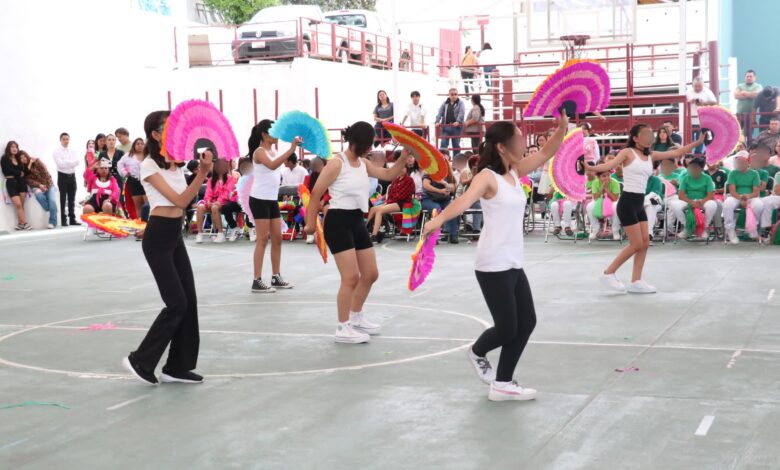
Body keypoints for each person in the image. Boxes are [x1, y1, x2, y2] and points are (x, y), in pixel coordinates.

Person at [421, 115, 568, 401]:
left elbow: (546, 152)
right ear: (502, 147)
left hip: (513, 260)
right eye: (517, 140)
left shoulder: (514, 172)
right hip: (492, 263)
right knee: (507, 327)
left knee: (526, 322)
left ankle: (502, 383)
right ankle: (477, 352)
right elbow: (463, 202)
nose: (523, 143)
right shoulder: (486, 177)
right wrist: (436, 222)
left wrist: (562, 128)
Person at [122, 110, 213, 386]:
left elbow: (182, 200)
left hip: (175, 235)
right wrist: (203, 173)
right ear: (155, 134)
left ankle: (177, 366)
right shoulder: (150, 165)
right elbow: (181, 200)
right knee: (177, 303)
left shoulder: (175, 165)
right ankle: (140, 359)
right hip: (158, 237)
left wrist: (199, 170)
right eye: (168, 127)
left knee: (190, 301)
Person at [304, 121, 407, 344]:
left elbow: (388, 174)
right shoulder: (336, 163)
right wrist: (310, 224)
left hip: (357, 220)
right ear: (358, 142)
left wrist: (404, 155)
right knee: (351, 277)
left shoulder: (362, 163)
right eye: (369, 144)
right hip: (338, 221)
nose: (371, 148)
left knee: (370, 274)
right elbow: (315, 194)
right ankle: (343, 328)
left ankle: (356, 316)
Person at [589, 124, 705, 293]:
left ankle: (636, 281)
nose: (649, 136)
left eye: (651, 133)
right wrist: (591, 167)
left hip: (639, 202)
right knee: (636, 244)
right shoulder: (627, 152)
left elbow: (677, 153)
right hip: (627, 202)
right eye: (645, 134)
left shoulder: (651, 154)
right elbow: (608, 165)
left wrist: (699, 141)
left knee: (644, 243)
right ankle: (608, 273)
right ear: (635, 138)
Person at [248, 119, 300, 293]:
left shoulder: (274, 150)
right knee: (262, 239)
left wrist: (289, 150)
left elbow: (275, 164)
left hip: (271, 199)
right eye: (273, 132)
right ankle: (257, 279)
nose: (277, 135)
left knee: (277, 238)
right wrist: (291, 150)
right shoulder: (259, 151)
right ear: (264, 134)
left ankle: (276, 276)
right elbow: (272, 166)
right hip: (259, 199)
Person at [366, 150, 415, 242]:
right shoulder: (395, 180)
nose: (400, 169)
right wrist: (386, 201)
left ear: (406, 169)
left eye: (402, 168)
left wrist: (388, 201)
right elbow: (391, 193)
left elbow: (401, 196)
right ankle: (366, 231)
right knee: (373, 209)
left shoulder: (409, 180)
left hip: (402, 204)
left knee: (380, 210)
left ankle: (374, 235)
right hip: (392, 202)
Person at [669, 157, 717, 239]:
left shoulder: (707, 178)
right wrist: (691, 202)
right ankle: (687, 227)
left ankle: (703, 227)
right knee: (674, 205)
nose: (692, 170)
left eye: (695, 168)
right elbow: (681, 195)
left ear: (701, 169)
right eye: (691, 167)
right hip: (688, 200)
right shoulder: (685, 178)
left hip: (703, 200)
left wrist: (701, 202)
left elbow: (710, 195)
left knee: (712, 205)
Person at [723, 151, 763, 244]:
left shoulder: (754, 174)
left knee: (759, 205)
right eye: (737, 162)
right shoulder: (732, 173)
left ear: (747, 162)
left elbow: (756, 192)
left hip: (751, 196)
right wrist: (741, 198)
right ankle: (730, 230)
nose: (739, 164)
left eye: (741, 161)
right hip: (736, 196)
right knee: (727, 204)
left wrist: (747, 197)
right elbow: (732, 191)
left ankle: (752, 227)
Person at [194, 158, 237, 244]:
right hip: (212, 202)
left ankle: (220, 234)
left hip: (224, 202)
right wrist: (208, 201)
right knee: (200, 207)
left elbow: (228, 192)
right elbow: (208, 193)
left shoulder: (232, 179)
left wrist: (218, 201)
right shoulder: (210, 180)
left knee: (214, 207)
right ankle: (200, 233)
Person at [20, 151, 58, 229]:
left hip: (48, 184)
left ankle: (52, 222)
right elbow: (29, 181)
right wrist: (39, 185)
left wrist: (45, 185)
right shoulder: (23, 169)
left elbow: (45, 173)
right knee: (38, 194)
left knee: (52, 201)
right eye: (21, 158)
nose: (23, 159)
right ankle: (52, 208)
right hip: (36, 186)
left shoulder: (36, 161)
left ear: (27, 155)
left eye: (24, 156)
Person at [1, 141, 32, 230]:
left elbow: (25, 172)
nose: (14, 149)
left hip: (21, 183)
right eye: (12, 147)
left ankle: (20, 224)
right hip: (11, 183)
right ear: (8, 148)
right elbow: (6, 170)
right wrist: (19, 172)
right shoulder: (5, 158)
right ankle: (25, 223)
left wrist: (29, 163)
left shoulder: (18, 159)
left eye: (16, 147)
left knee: (21, 205)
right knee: (18, 205)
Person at [422, 170, 459, 243]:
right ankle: (433, 235)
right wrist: (440, 191)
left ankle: (453, 234)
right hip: (429, 199)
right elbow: (426, 185)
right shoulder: (429, 172)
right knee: (436, 209)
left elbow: (452, 188)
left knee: (453, 208)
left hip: (444, 199)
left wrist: (445, 184)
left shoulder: (448, 174)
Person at [53, 133, 81, 226]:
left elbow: (77, 162)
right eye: (64, 139)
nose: (66, 141)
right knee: (62, 198)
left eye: (67, 139)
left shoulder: (73, 151)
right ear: (60, 140)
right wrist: (71, 163)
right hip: (62, 176)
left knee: (72, 198)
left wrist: (67, 163)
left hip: (72, 176)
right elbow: (60, 164)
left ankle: (72, 218)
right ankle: (63, 219)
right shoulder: (56, 152)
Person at [586, 169, 622, 241]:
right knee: (589, 206)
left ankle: (615, 230)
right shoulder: (595, 183)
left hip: (612, 201)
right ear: (598, 177)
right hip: (599, 201)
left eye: (608, 175)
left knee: (616, 206)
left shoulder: (615, 182)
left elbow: (615, 199)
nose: (607, 178)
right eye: (604, 176)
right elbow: (595, 198)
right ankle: (595, 229)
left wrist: (607, 189)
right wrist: (602, 187)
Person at [118, 138, 147, 220]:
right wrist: (124, 172)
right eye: (137, 144)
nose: (140, 145)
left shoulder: (148, 155)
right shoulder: (128, 155)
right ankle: (140, 224)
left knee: (147, 204)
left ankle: (149, 224)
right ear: (134, 145)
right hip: (133, 181)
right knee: (138, 205)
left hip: (147, 181)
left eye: (142, 143)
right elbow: (119, 164)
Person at [686, 77, 717, 153]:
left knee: (703, 137)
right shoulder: (688, 92)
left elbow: (714, 102)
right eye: (695, 86)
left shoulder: (707, 91)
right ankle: (689, 153)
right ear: (693, 85)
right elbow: (682, 103)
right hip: (691, 120)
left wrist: (704, 103)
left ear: (703, 85)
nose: (697, 88)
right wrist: (690, 102)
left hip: (703, 120)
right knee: (690, 138)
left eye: (699, 86)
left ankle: (699, 153)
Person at [435, 88, 465, 157]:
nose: (454, 96)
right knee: (443, 144)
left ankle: (456, 162)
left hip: (456, 127)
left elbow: (462, 112)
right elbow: (440, 112)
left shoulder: (461, 103)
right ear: (449, 95)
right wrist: (437, 121)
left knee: (456, 145)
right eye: (452, 94)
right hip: (446, 127)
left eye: (455, 94)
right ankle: (443, 160)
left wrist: (458, 121)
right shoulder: (445, 103)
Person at [734, 70, 762, 140]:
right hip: (739, 114)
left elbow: (757, 94)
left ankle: (749, 149)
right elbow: (736, 95)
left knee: (749, 134)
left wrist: (744, 93)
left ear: (754, 77)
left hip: (751, 114)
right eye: (747, 76)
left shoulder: (758, 86)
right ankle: (737, 149)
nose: (749, 78)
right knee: (737, 132)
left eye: (751, 76)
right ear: (745, 77)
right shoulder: (740, 86)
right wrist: (750, 94)